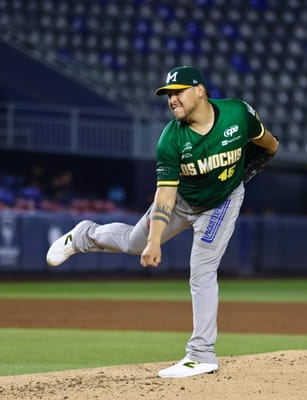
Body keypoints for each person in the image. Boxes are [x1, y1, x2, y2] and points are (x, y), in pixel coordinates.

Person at [46, 66, 279, 378]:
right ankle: (84, 236)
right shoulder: (170, 140)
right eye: (168, 94)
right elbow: (165, 197)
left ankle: (201, 354)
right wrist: (154, 241)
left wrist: (265, 155)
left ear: (200, 90)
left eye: (178, 91)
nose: (172, 99)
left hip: (222, 202)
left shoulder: (237, 114)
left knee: (203, 270)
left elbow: (267, 142)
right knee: (133, 242)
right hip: (182, 201)